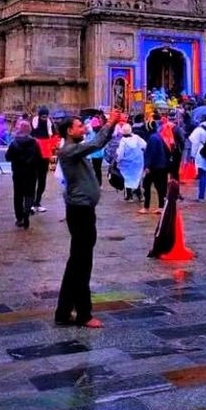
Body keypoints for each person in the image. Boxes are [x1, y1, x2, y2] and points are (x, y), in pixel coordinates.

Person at [54, 110, 120, 329]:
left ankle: (63, 312)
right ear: (69, 131)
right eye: (79, 126)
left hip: (83, 211)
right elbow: (96, 144)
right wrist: (110, 123)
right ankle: (83, 314)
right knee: (82, 264)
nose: (84, 128)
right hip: (80, 212)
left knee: (76, 263)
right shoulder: (69, 151)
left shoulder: (74, 151)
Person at [5, 120, 40, 228]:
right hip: (31, 173)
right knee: (29, 193)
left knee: (18, 195)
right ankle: (27, 211)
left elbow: (8, 157)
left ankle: (19, 218)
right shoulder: (34, 143)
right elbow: (39, 158)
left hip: (18, 173)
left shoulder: (14, 143)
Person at [140, 121, 170, 214]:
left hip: (154, 166)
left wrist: (147, 166)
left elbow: (150, 154)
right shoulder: (158, 136)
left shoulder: (152, 138)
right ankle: (161, 206)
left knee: (146, 185)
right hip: (162, 165)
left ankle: (146, 207)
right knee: (160, 187)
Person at [31, 106, 56, 212]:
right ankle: (30, 202)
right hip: (34, 155)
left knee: (42, 180)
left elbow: (54, 136)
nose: (44, 119)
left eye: (46, 117)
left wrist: (52, 147)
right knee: (33, 180)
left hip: (45, 154)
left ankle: (37, 202)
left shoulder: (50, 124)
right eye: (42, 117)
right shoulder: (33, 123)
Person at [116, 122, 146, 201]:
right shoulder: (136, 137)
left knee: (127, 179)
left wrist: (117, 160)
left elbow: (120, 154)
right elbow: (145, 145)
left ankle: (129, 196)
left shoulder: (122, 141)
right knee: (137, 178)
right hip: (138, 162)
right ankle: (139, 195)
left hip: (126, 164)